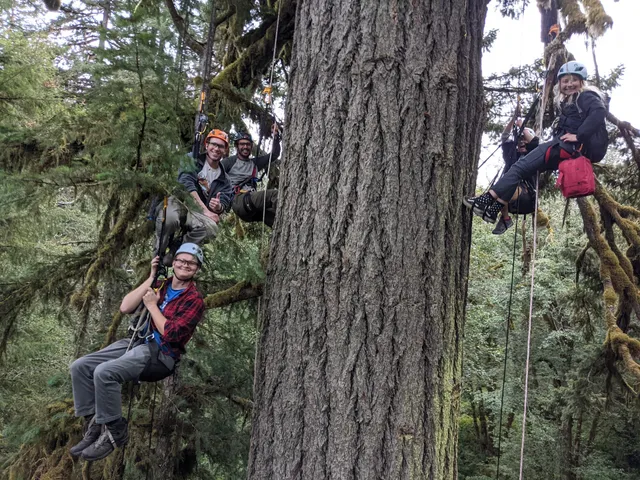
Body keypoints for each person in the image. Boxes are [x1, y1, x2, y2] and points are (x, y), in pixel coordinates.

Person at [69, 243, 205, 461]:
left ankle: (115, 431)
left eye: (191, 263)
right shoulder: (160, 284)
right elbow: (126, 306)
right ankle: (94, 425)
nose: (184, 265)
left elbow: (172, 334)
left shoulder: (194, 300)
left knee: (104, 372)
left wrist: (152, 306)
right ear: (174, 262)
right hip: (137, 341)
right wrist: (151, 277)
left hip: (161, 354)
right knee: (80, 367)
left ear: (197, 269)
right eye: (181, 260)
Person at [465, 60, 608, 224]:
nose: (569, 84)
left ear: (582, 81)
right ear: (560, 83)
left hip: (565, 146)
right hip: (566, 149)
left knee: (519, 168)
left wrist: (579, 136)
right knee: (521, 171)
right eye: (565, 81)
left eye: (574, 80)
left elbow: (599, 112)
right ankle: (495, 208)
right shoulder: (571, 100)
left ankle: (485, 201)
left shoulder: (585, 96)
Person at [156, 129, 234, 265]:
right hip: (180, 200)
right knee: (168, 220)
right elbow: (186, 184)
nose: (216, 149)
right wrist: (206, 210)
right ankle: (157, 257)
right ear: (206, 145)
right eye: (213, 144)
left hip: (197, 212)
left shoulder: (225, 179)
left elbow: (225, 201)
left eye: (221, 146)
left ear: (225, 150)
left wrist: (218, 206)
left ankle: (178, 250)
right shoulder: (191, 158)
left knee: (210, 228)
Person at [221, 124, 281, 227]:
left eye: (248, 144)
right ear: (236, 146)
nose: (245, 147)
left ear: (251, 146)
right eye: (242, 144)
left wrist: (275, 137)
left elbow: (274, 155)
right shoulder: (229, 162)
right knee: (274, 195)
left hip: (250, 206)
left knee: (277, 222)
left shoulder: (255, 163)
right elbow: (215, 174)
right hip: (239, 200)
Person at [491, 115, 539, 235]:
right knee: (497, 190)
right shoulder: (511, 154)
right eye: (520, 139)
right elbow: (505, 137)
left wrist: (521, 126)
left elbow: (534, 142)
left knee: (504, 189)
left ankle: (502, 216)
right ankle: (505, 218)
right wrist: (513, 120)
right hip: (513, 201)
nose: (522, 141)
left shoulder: (535, 155)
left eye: (524, 139)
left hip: (527, 197)